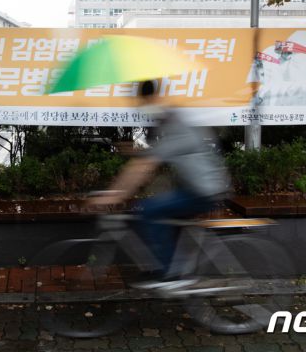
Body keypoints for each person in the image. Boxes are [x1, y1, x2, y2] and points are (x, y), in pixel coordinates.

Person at [86, 79, 231, 289]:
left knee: (148, 210)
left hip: (204, 191)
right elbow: (148, 157)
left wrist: (115, 195)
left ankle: (172, 274)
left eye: (143, 102)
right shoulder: (168, 121)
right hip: (197, 187)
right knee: (165, 216)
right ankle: (170, 267)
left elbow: (143, 166)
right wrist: (133, 155)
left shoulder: (174, 123)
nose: (142, 108)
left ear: (152, 98)